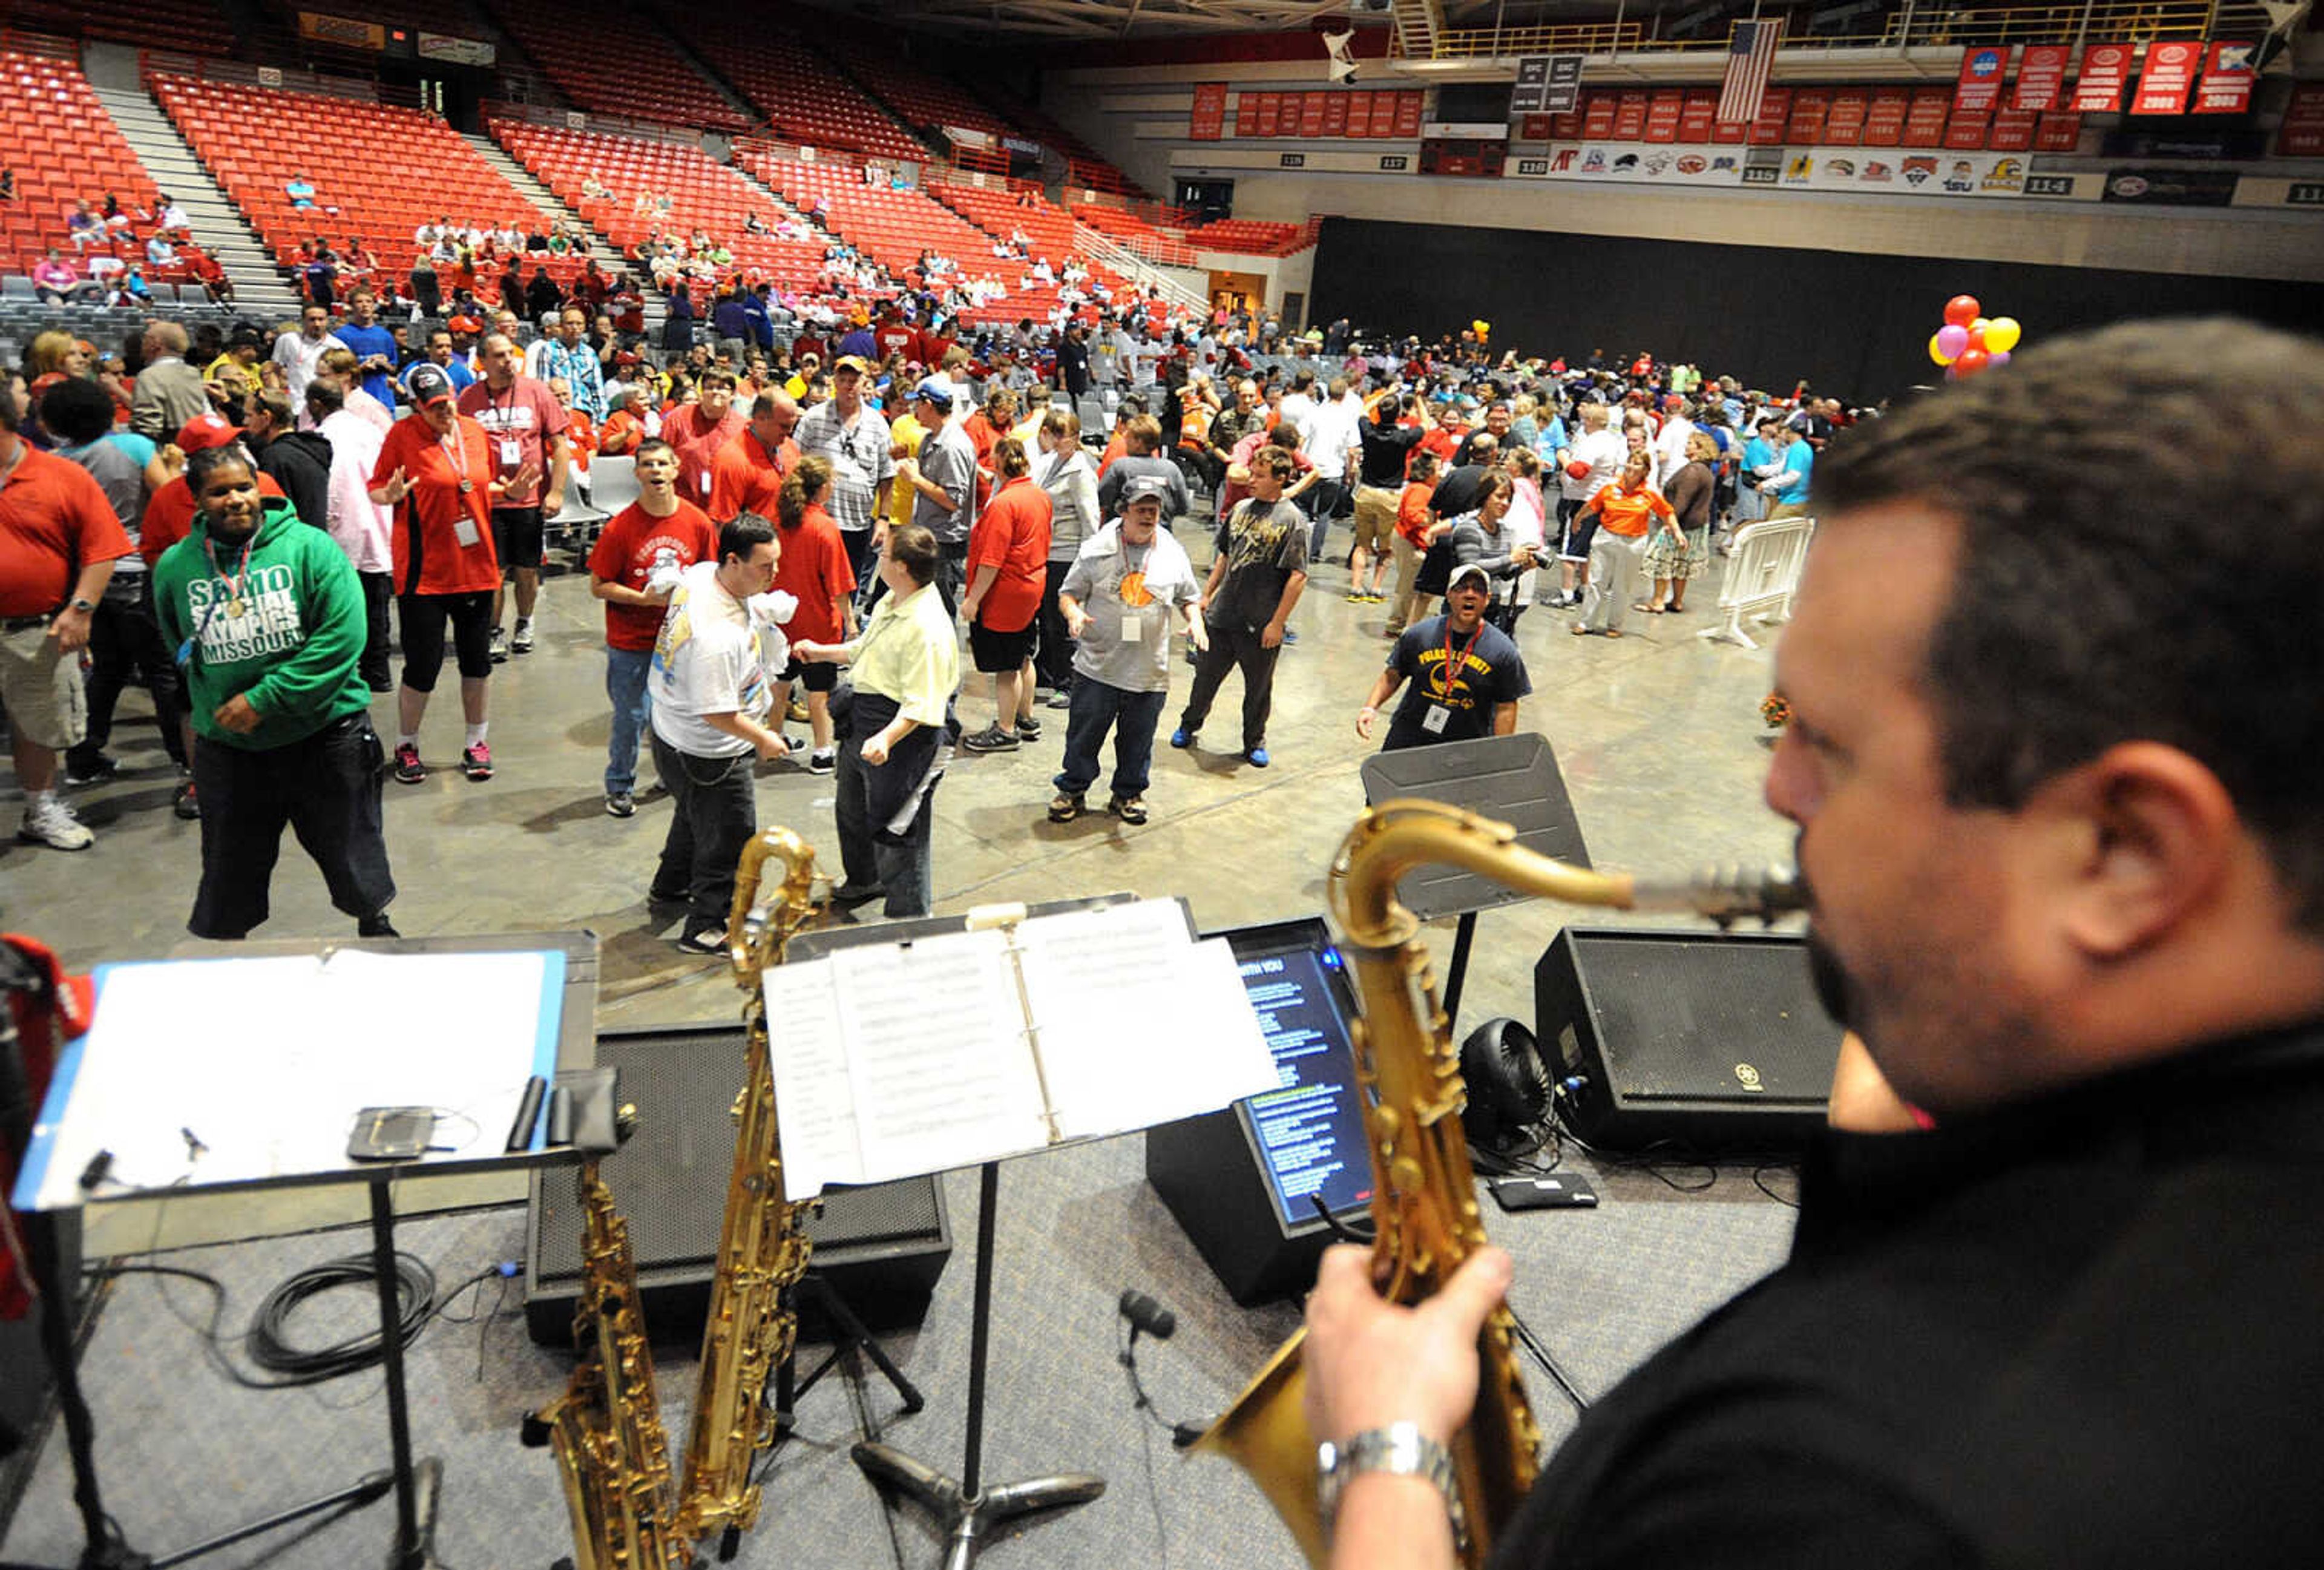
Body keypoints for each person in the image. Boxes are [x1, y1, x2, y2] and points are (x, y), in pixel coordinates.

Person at [1304, 316, 2324, 1570]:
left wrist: (1386, 1445)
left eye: (1830, 743)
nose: (1779, 788)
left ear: (2126, 853)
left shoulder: (1844, 1492)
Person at [151, 445, 395, 939]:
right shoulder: (176, 567)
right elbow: (178, 640)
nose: (236, 500)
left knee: (352, 852)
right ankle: (228, 950)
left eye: (244, 487)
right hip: (234, 751)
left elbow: (343, 638)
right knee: (229, 869)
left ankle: (375, 925)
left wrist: (266, 699)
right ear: (197, 499)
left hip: (325, 737)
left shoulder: (310, 548)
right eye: (219, 492)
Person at [793, 525, 958, 920]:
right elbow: (865, 650)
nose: (876, 557)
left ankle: (909, 920)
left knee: (898, 832)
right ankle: (864, 879)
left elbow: (924, 704)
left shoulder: (927, 628)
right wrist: (822, 652)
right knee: (851, 810)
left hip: (902, 737)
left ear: (900, 566)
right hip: (863, 723)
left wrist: (886, 739)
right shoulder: (893, 601)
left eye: (883, 554)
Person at [369, 363, 519, 784]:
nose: (444, 413)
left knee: (477, 663)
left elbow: (473, 485)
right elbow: (377, 487)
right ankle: (407, 744)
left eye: (448, 403)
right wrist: (391, 495)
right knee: (423, 666)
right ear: (416, 407)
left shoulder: (472, 431)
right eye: (433, 407)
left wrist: (509, 492)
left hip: (475, 567)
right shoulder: (402, 436)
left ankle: (477, 742)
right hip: (425, 573)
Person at [646, 513, 788, 954]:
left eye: (776, 563)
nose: (774, 574)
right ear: (733, 560)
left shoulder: (706, 575)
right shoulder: (717, 637)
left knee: (693, 815)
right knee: (729, 836)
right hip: (709, 751)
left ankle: (671, 887)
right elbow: (717, 712)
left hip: (672, 734)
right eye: (765, 566)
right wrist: (763, 737)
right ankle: (708, 926)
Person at [0, 393, 133, 850]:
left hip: (35, 630)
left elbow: (102, 549)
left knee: (36, 727)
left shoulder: (63, 475)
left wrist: (81, 609)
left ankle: (40, 810)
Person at [38, 379, 177, 790]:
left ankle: (83, 758)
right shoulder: (133, 447)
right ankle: (187, 761)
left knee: (107, 670)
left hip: (88, 582)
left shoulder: (55, 462)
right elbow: (168, 496)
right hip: (138, 571)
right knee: (162, 671)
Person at [1049, 475, 1205, 826]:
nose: (1149, 516)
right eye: (1142, 509)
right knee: (1084, 736)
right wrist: (1074, 613)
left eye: (1155, 509)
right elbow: (1068, 594)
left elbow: (1189, 597)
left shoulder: (1171, 551)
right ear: (1123, 511)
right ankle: (1072, 789)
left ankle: (1128, 793)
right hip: (1098, 666)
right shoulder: (1096, 549)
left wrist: (1196, 621)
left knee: (1138, 741)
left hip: (1147, 669)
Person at [586, 438, 716, 818]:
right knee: (632, 715)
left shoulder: (697, 522)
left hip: (679, 640)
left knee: (677, 713)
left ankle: (670, 775)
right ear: (637, 473)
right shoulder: (620, 528)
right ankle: (620, 785)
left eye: (663, 464)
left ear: (676, 469)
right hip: (633, 642)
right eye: (647, 465)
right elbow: (598, 585)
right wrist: (643, 600)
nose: (656, 471)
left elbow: (710, 575)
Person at [1172, 446, 1307, 769]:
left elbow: (1298, 576)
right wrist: (1206, 596)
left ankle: (1254, 741)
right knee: (1204, 679)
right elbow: (1225, 556)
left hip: (1260, 624)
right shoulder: (1241, 509)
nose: (1252, 480)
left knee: (1258, 690)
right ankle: (1189, 725)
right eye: (1252, 472)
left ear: (1281, 479)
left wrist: (1277, 623)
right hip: (1223, 616)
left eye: (1261, 476)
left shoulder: (1293, 520)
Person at [457, 333, 569, 660]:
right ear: (483, 361)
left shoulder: (536, 391)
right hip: (488, 501)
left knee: (527, 569)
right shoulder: (469, 398)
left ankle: (525, 621)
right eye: (500, 356)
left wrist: (558, 491)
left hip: (530, 502)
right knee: (494, 572)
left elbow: (559, 446)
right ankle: (493, 629)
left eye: (511, 354)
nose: (509, 361)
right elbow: (459, 448)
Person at [1356, 562, 1530, 751]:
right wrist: (1370, 708)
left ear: (1487, 599)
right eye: (1461, 588)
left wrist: (1500, 752)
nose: (1470, 594)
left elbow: (1506, 707)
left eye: (1478, 590)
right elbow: (1393, 675)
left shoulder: (1503, 651)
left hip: (1465, 746)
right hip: (1409, 737)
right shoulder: (1419, 635)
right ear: (1449, 595)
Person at [959, 438, 1052, 754]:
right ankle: (1025, 717)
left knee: (1006, 667)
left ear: (997, 465)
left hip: (1006, 594)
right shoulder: (1039, 496)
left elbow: (991, 560)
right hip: (1032, 586)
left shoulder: (1003, 505)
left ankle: (1006, 729)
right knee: (1024, 655)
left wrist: (973, 599)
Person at [765, 456, 858, 775]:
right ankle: (822, 752)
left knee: (780, 687)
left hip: (778, 623)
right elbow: (839, 585)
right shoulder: (825, 528)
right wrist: (851, 622)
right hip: (817, 625)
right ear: (822, 488)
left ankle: (772, 741)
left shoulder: (776, 521)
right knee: (818, 694)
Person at [306, 379, 395, 692]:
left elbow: (328, 490)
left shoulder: (320, 438)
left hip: (342, 533)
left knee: (341, 611)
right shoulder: (370, 430)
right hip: (377, 526)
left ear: (317, 404)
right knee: (376, 606)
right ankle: (379, 673)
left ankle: (345, 677)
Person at [791, 355, 893, 588]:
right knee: (813, 587)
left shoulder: (878, 424)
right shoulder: (813, 418)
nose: (849, 385)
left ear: (864, 383)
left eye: (854, 380)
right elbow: (794, 464)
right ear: (834, 382)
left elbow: (887, 476)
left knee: (849, 587)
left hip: (857, 525)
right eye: (843, 379)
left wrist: (884, 520)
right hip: (815, 522)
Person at [1032, 407, 1100, 710]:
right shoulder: (1048, 463)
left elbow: (1090, 521)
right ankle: (1048, 672)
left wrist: (1088, 566)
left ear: (1075, 437)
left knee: (1063, 623)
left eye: (1063, 435)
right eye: (1053, 433)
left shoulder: (1081, 472)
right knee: (1047, 619)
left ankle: (1069, 683)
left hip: (1068, 555)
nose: (1057, 440)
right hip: (1047, 551)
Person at [890, 376, 976, 615]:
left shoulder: (953, 446)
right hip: (929, 532)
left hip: (945, 541)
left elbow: (952, 501)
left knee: (939, 609)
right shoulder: (931, 438)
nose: (913, 409)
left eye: (917, 403)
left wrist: (915, 479)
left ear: (929, 405)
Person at [1571, 453, 1676, 639]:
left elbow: (1667, 512)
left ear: (1645, 470)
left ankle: (1615, 625)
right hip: (1606, 538)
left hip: (1633, 543)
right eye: (1629, 462)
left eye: (1637, 464)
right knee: (1596, 582)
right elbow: (1592, 506)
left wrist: (1678, 532)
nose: (1631, 467)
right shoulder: (1610, 487)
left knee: (1622, 586)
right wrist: (1578, 519)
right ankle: (1586, 623)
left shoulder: (1649, 492)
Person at [1640, 430, 1717, 615]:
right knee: (1682, 566)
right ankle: (1677, 600)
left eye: (1691, 443)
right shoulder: (1705, 471)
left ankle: (1658, 600)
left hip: (1680, 526)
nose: (1686, 445)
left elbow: (1681, 501)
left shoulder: (1692, 471)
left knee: (1663, 563)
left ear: (1699, 449)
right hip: (1696, 526)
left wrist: (1669, 524)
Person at [129, 320, 209, 442]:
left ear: (155, 344)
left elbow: (147, 429)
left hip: (166, 451)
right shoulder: (194, 373)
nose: (142, 345)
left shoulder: (149, 376)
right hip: (195, 446)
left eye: (145, 339)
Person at [271, 304, 343, 406]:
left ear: (327, 321)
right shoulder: (288, 340)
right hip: (295, 405)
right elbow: (274, 370)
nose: (317, 324)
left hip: (324, 406)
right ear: (303, 321)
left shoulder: (338, 346)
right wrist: (277, 395)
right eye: (312, 320)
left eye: (321, 319)